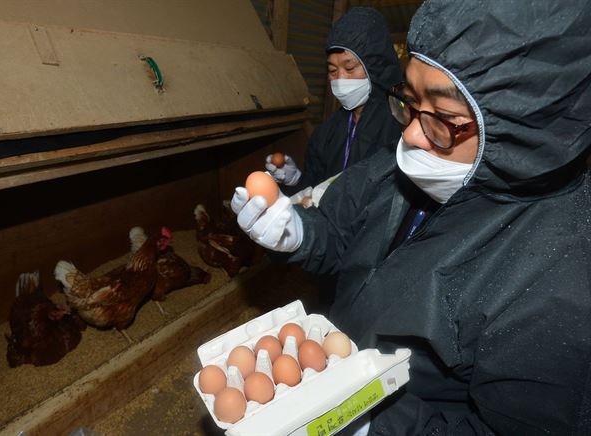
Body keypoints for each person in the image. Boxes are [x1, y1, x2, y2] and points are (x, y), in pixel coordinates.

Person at [231, 1, 591, 434]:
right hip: (340, 358)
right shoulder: (400, 167)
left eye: (442, 116)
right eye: (410, 99)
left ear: (522, 125)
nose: (410, 133)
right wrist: (298, 233)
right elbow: (342, 234)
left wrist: (371, 422)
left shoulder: (558, 283)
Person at [265, 7, 402, 199]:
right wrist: (296, 180)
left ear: (376, 66)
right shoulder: (326, 133)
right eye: (332, 70)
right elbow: (314, 186)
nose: (340, 79)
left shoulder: (400, 130)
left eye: (349, 67)